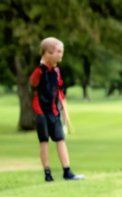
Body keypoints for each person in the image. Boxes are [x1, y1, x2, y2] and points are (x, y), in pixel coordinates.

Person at [29, 37, 83, 182]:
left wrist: (63, 109)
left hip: (54, 112)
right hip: (41, 111)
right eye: (58, 51)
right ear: (48, 52)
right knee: (44, 141)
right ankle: (47, 172)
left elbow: (58, 91)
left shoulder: (57, 71)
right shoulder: (38, 71)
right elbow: (33, 86)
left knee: (60, 139)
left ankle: (67, 170)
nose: (61, 54)